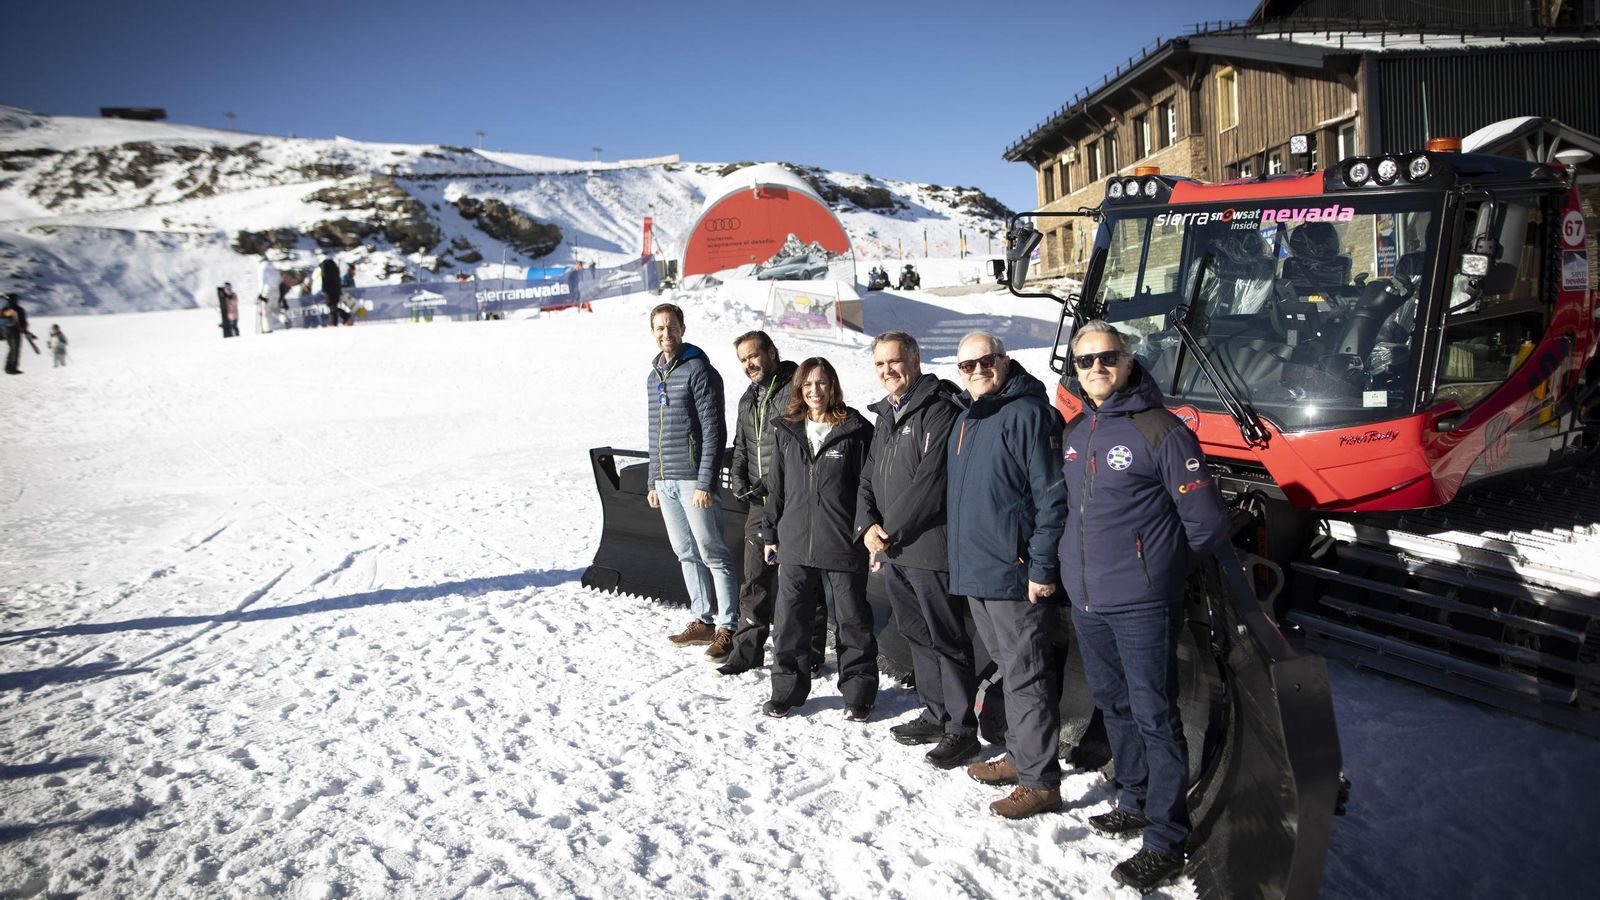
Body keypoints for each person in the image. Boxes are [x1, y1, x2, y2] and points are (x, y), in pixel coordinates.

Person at [1057, 320, 1229, 892]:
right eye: (1085, 360)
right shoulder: (1077, 430)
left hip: (1141, 602)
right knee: (1113, 703)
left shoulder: (1162, 431)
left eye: (1107, 357)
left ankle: (1165, 837)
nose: (1096, 368)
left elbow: (1205, 523)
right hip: (1088, 599)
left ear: (1129, 361)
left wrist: (1155, 572)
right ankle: (1132, 798)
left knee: (1155, 714)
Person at [947, 331, 1069, 820]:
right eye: (967, 365)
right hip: (978, 572)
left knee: (1027, 673)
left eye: (986, 361)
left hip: (1014, 574)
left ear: (1005, 360)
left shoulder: (1030, 414)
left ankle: (1041, 782)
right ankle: (1020, 758)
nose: (977, 370)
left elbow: (1052, 498)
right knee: (1011, 670)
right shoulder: (967, 418)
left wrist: (1040, 566)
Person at [855, 331, 977, 768]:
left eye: (894, 361)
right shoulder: (887, 415)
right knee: (916, 635)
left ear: (915, 359)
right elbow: (868, 478)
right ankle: (935, 712)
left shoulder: (939, 409)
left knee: (946, 638)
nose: (887, 370)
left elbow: (931, 482)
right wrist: (866, 525)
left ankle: (962, 728)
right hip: (895, 551)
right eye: (880, 364)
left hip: (929, 548)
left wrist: (886, 530)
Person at [758, 357, 877, 720]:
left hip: (842, 542)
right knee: (790, 620)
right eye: (807, 384)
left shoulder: (855, 429)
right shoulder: (787, 429)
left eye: (822, 383)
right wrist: (770, 532)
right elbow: (776, 487)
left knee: (852, 620)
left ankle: (858, 694)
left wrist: (867, 531)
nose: (815, 391)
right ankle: (786, 691)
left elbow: (868, 488)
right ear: (799, 388)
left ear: (833, 386)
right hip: (795, 542)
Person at [717, 331, 827, 677]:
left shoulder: (795, 388)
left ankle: (811, 651)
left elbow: (804, 441)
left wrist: (776, 482)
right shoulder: (746, 400)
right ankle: (747, 651)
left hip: (795, 500)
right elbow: (741, 445)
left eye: (754, 355)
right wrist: (739, 480)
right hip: (760, 503)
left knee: (803, 579)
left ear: (771, 353)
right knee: (754, 579)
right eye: (743, 359)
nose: (749, 364)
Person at [646, 303, 739, 657]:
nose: (665, 333)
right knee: (685, 552)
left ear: (682, 329)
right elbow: (654, 431)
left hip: (692, 480)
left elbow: (714, 430)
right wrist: (654, 479)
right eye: (659, 327)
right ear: (652, 333)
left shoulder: (699, 370)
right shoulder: (654, 376)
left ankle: (728, 626)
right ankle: (703, 620)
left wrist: (705, 482)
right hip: (667, 481)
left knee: (712, 552)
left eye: (671, 326)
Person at [3, 293, 32, 374]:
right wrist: (25, 330)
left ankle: (8, 367)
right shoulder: (19, 309)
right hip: (15, 332)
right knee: (15, 350)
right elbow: (23, 322)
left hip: (7, 332)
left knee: (11, 349)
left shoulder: (4, 309)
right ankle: (12, 368)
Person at [321, 257, 349, 326]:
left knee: (331, 306)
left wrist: (324, 290)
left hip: (329, 291)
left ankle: (345, 315)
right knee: (333, 306)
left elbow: (325, 280)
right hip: (337, 290)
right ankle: (334, 323)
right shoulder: (336, 269)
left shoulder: (325, 269)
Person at [257, 258, 279, 334]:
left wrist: (260, 293)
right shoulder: (274, 269)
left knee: (266, 311)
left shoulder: (263, 269)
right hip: (276, 291)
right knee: (274, 308)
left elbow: (262, 282)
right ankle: (284, 319)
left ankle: (267, 329)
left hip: (267, 292)